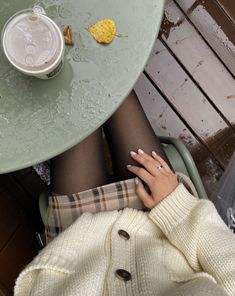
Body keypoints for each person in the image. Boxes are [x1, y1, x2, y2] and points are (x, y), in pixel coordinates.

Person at [14, 91, 235, 296]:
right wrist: (176, 205)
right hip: (167, 228)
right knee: (108, 85)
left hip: (80, 245)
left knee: (75, 98)